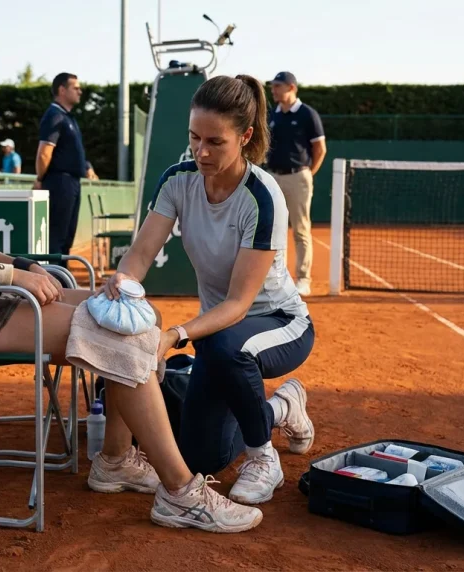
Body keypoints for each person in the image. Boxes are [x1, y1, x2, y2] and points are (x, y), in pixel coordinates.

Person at [0, 43, 262, 534]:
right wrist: (12, 279)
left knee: (137, 314)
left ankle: (115, 459)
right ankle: (180, 491)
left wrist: (26, 265)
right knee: (115, 334)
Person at [104, 74, 316, 506]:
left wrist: (174, 336)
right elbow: (140, 254)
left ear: (245, 137)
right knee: (202, 457)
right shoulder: (177, 180)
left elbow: (239, 304)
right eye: (194, 138)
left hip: (279, 323)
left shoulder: (263, 196)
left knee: (221, 345)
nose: (201, 151)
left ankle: (262, 457)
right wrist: (123, 284)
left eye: (215, 142)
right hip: (220, 333)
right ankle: (281, 408)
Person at [265, 71, 326, 297]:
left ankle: (303, 279)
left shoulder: (307, 114)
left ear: (291, 87)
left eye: (278, 86)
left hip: (298, 177)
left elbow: (320, 149)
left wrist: (307, 173)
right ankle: (274, 278)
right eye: (273, 86)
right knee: (272, 229)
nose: (273, 90)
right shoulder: (274, 115)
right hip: (274, 177)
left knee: (300, 229)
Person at [32, 73, 98, 266]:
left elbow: (71, 151)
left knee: (67, 238)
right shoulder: (54, 115)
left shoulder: (68, 117)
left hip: (72, 183)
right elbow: (44, 153)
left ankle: (63, 282)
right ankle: (56, 284)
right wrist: (40, 178)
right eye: (75, 87)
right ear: (62, 90)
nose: (80, 91)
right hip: (59, 183)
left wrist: (86, 166)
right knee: (57, 238)